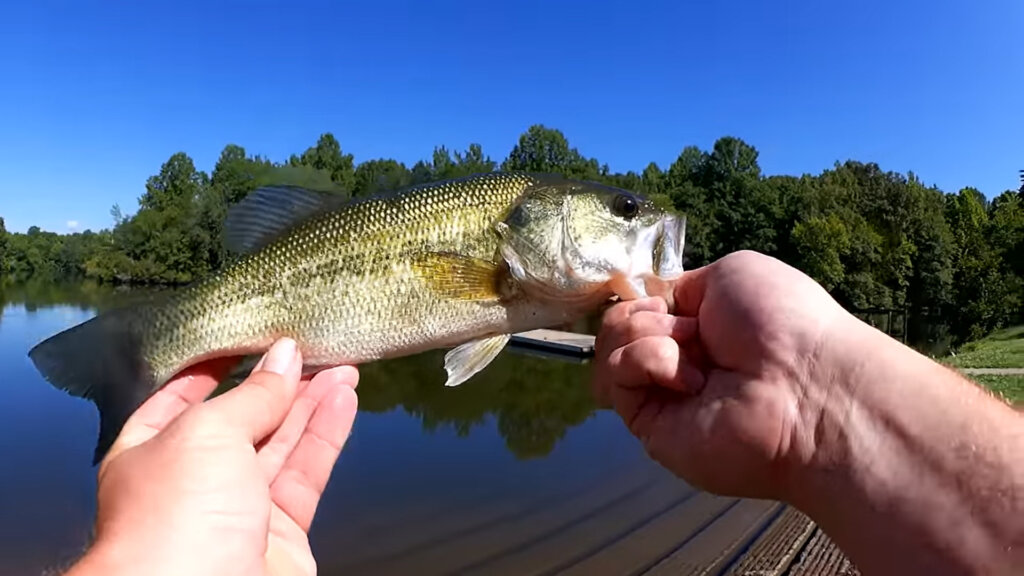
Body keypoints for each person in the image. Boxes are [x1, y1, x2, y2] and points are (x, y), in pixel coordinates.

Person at [65, 250, 1022, 576]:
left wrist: (824, 395)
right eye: (618, 209)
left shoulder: (529, 284)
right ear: (535, 231)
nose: (646, 227)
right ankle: (137, 351)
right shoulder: (499, 250)